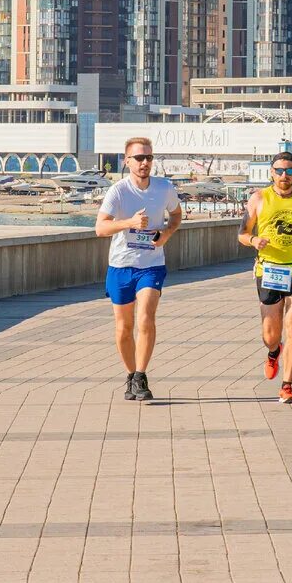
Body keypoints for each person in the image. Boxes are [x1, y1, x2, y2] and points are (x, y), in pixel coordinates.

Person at [96, 137, 183, 402]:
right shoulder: (118, 191)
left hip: (151, 264)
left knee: (146, 317)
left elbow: (177, 215)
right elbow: (100, 228)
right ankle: (130, 373)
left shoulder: (164, 187)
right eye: (139, 158)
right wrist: (129, 223)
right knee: (124, 326)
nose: (144, 163)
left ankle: (141, 374)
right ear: (127, 161)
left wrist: (166, 234)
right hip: (121, 265)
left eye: (148, 157)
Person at [238, 151, 292, 404]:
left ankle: (287, 386)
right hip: (269, 269)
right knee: (270, 334)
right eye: (279, 170)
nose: (284, 175)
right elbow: (242, 233)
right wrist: (254, 240)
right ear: (271, 172)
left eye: (289, 171)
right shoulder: (259, 198)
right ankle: (274, 351)